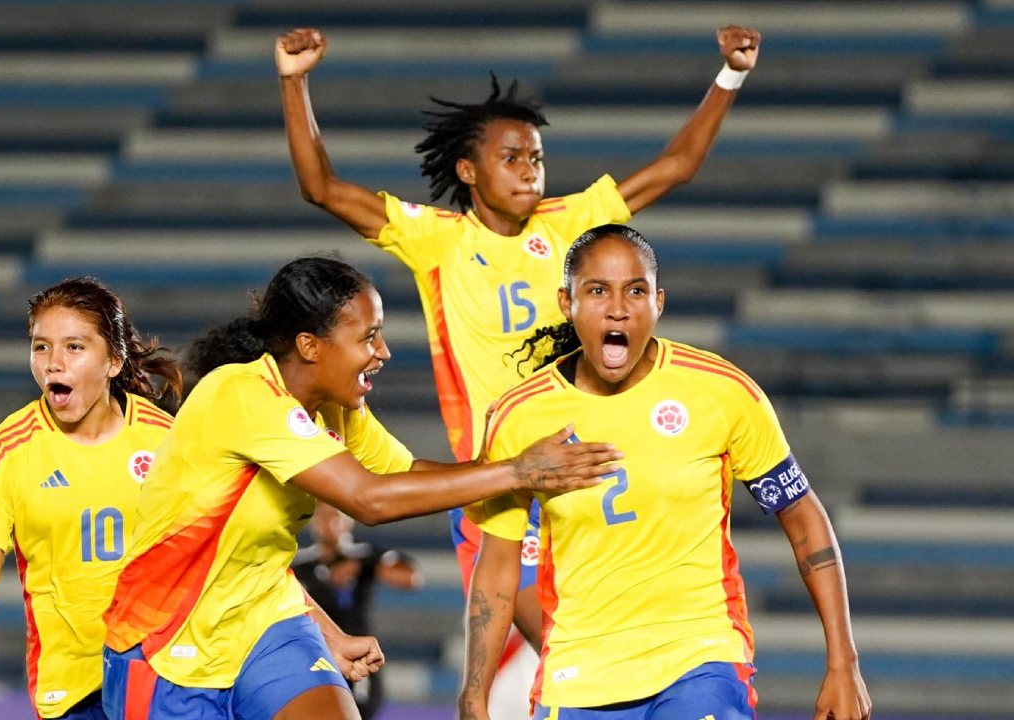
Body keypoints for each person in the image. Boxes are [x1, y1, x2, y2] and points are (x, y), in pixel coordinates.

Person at [277, 27, 763, 704]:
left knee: (604, 659)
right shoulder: (435, 239)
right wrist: (295, 81)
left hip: (580, 472)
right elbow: (321, 186)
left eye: (535, 155)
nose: (530, 169)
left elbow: (675, 166)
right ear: (470, 171)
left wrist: (729, 76)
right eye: (511, 157)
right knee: (569, 653)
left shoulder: (572, 221)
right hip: (499, 485)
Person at [99, 255, 624, 720]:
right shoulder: (241, 395)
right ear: (310, 346)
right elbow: (368, 500)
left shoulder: (335, 407)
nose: (384, 352)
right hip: (166, 636)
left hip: (267, 623)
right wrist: (519, 471)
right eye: (368, 336)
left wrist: (516, 462)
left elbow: (410, 475)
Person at [459, 225, 872, 720]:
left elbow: (801, 514)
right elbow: (499, 565)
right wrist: (474, 694)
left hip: (700, 657)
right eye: (597, 291)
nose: (618, 308)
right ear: (566, 303)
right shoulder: (519, 416)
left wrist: (843, 662)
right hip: (580, 673)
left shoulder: (721, 392)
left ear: (658, 302)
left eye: (635, 290)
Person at [0, 278, 182, 720]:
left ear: (114, 361)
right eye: (40, 347)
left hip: (163, 668)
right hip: (74, 687)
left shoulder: (166, 440)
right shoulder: (8, 451)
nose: (53, 364)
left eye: (74, 347)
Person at [294, 502, 423, 719]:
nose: (327, 524)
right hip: (315, 655)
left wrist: (366, 568)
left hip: (356, 655)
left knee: (359, 711)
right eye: (321, 517)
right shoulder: (299, 564)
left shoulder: (364, 556)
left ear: (348, 521)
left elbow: (410, 578)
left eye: (335, 517)